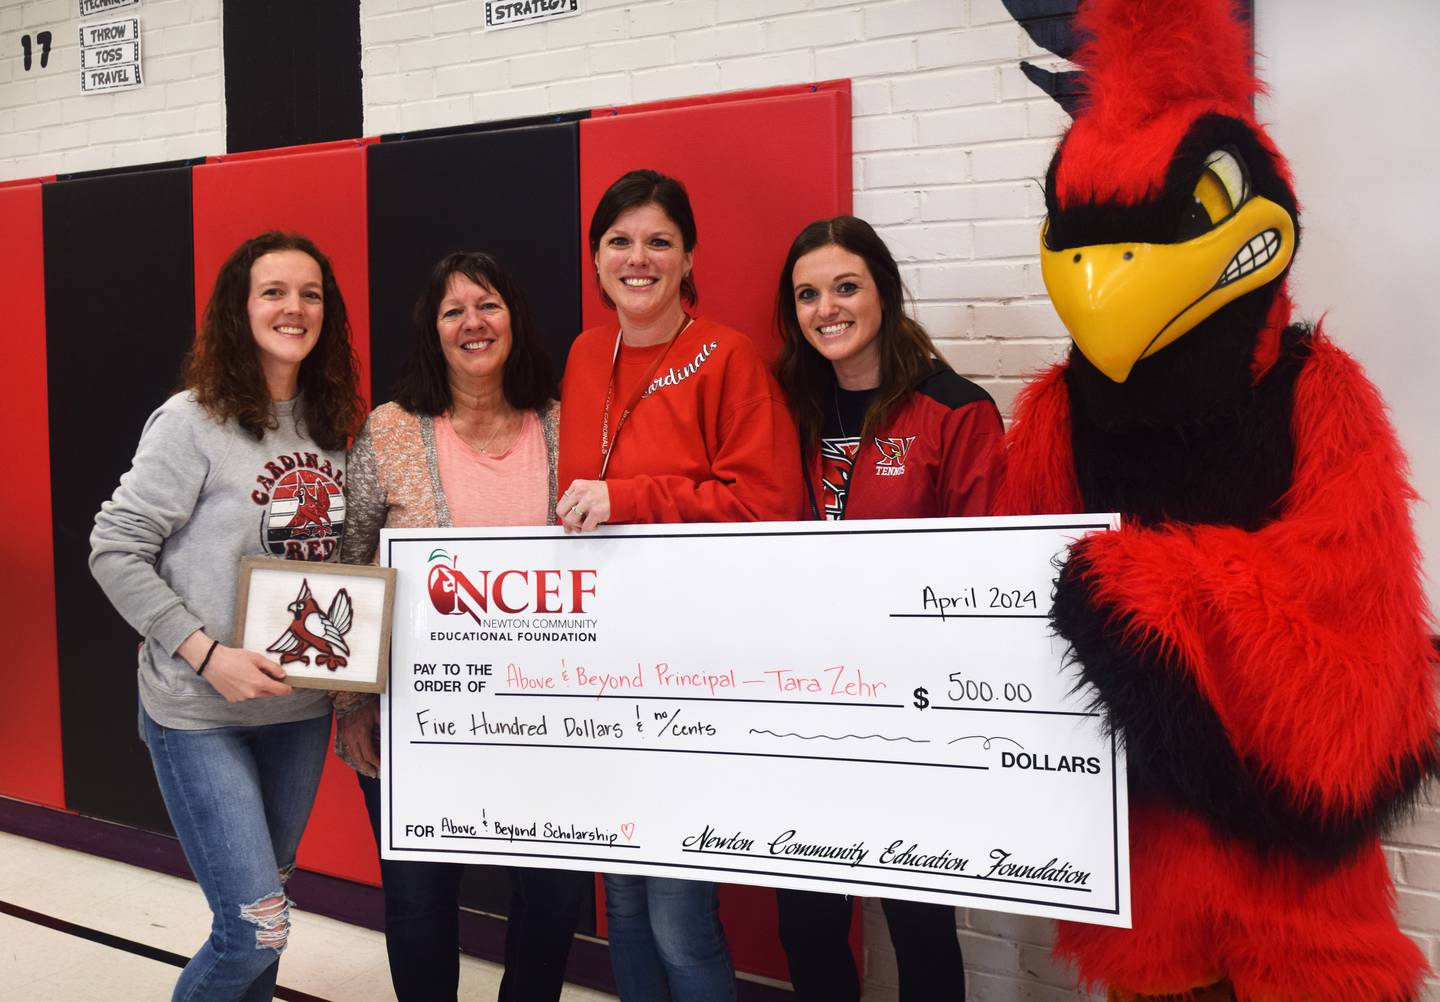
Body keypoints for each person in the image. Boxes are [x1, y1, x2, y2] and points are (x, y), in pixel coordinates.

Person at [90, 231, 365, 1002]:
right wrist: (209, 654)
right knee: (256, 926)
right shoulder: (192, 419)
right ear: (239, 310)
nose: (294, 308)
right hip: (198, 710)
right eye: (273, 292)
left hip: (298, 709)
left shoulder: (332, 420)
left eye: (310, 294)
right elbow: (113, 549)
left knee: (265, 910)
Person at [556, 169, 805, 1000]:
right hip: (602, 668)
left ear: (689, 256)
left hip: (695, 667)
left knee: (675, 910)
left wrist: (628, 500)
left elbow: (769, 507)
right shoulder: (586, 354)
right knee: (620, 900)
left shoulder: (727, 356)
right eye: (620, 241)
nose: (639, 258)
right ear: (596, 260)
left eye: (659, 240)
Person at [334, 250, 587, 1002]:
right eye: (454, 311)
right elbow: (351, 573)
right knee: (417, 902)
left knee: (551, 898)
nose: (473, 323)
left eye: (488, 305)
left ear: (515, 320)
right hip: (417, 720)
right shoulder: (390, 432)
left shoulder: (565, 426)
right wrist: (352, 703)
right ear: (434, 332)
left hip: (550, 720)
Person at [771, 215, 1005, 1000]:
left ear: (884, 292)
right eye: (808, 294)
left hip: (913, 713)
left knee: (916, 918)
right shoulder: (785, 408)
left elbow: (986, 575)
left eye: (845, 287)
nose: (826, 309)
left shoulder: (955, 411)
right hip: (802, 704)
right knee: (805, 917)